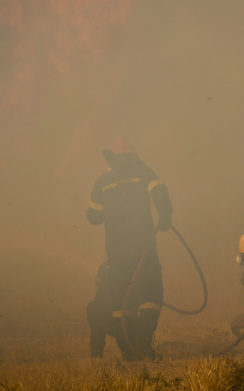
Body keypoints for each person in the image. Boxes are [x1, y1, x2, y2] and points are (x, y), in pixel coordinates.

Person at [86, 139, 173, 359]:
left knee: (122, 298)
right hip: (143, 245)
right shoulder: (142, 170)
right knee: (151, 291)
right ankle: (143, 341)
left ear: (112, 158)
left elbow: (94, 217)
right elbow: (160, 191)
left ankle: (128, 348)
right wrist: (165, 216)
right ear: (133, 155)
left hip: (115, 251)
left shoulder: (103, 180)